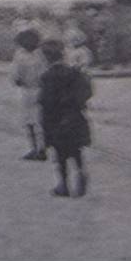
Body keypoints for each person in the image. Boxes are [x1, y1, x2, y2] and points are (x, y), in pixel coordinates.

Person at [39, 39, 93, 198]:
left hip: (57, 121)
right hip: (75, 118)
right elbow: (86, 92)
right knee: (76, 151)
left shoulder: (47, 77)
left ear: (47, 58)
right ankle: (81, 173)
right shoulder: (74, 72)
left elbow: (46, 103)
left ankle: (63, 185)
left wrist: (45, 127)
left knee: (60, 156)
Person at [11, 28, 47, 161]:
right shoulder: (40, 55)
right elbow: (45, 73)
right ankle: (42, 148)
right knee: (40, 120)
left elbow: (16, 77)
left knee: (28, 121)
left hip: (26, 91)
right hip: (40, 90)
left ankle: (33, 148)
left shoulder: (19, 56)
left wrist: (19, 81)